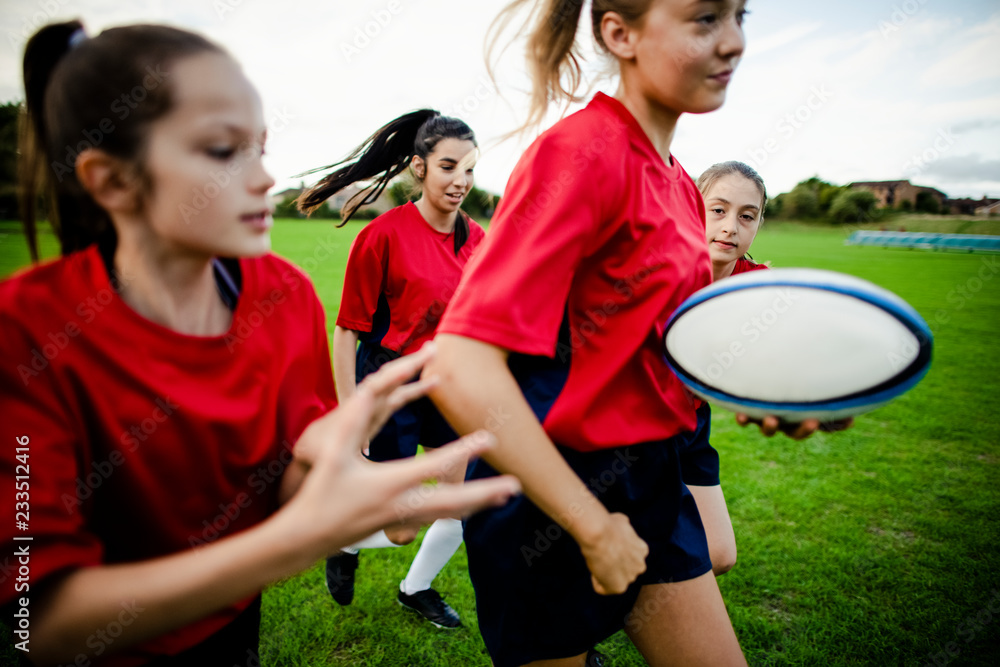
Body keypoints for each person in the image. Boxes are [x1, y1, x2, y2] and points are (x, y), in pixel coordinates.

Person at [0, 21, 518, 666]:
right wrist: (294, 538)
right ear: (111, 181)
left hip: (233, 637)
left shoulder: (283, 296)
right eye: (222, 151)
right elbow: (37, 622)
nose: (264, 179)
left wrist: (333, 477)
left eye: (261, 147)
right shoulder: (26, 332)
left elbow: (287, 480)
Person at [424, 2, 834, 665]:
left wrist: (760, 394)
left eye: (740, 15)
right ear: (620, 34)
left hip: (656, 475)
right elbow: (461, 364)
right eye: (704, 18)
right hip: (551, 498)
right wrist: (587, 522)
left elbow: (658, 348)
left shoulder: (678, 184)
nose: (733, 42)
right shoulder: (581, 153)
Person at [296, 110, 484, 628]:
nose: (461, 181)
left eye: (470, 168)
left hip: (449, 385)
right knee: (400, 526)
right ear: (419, 168)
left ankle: (415, 588)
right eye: (449, 166)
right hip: (390, 385)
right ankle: (344, 536)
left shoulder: (478, 241)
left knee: (463, 499)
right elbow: (347, 330)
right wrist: (352, 412)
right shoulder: (381, 236)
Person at [682, 160, 770, 577]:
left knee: (719, 555)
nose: (731, 226)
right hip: (634, 431)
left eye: (746, 216)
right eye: (717, 210)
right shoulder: (664, 271)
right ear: (691, 207)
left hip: (692, 426)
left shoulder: (762, 287)